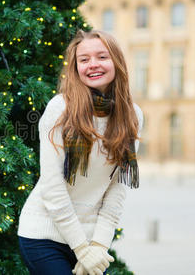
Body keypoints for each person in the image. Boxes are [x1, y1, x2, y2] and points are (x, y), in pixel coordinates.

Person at [17, 29, 143, 275]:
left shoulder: (132, 115)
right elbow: (53, 188)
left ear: (116, 61)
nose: (93, 65)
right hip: (44, 234)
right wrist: (82, 248)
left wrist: (97, 246)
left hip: (90, 239)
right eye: (84, 60)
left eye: (102, 57)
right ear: (75, 68)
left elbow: (116, 188)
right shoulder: (60, 109)